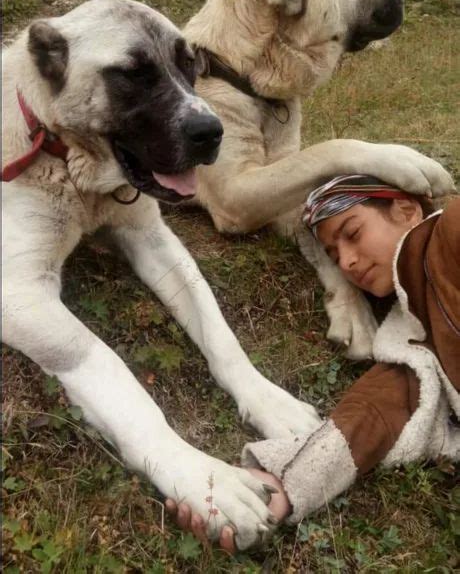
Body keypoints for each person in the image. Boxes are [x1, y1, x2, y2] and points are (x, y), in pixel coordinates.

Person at [166, 175, 460, 552]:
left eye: (352, 232)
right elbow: (374, 411)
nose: (348, 261)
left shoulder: (451, 230)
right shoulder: (408, 338)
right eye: (334, 256)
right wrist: (278, 485)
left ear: (405, 209)